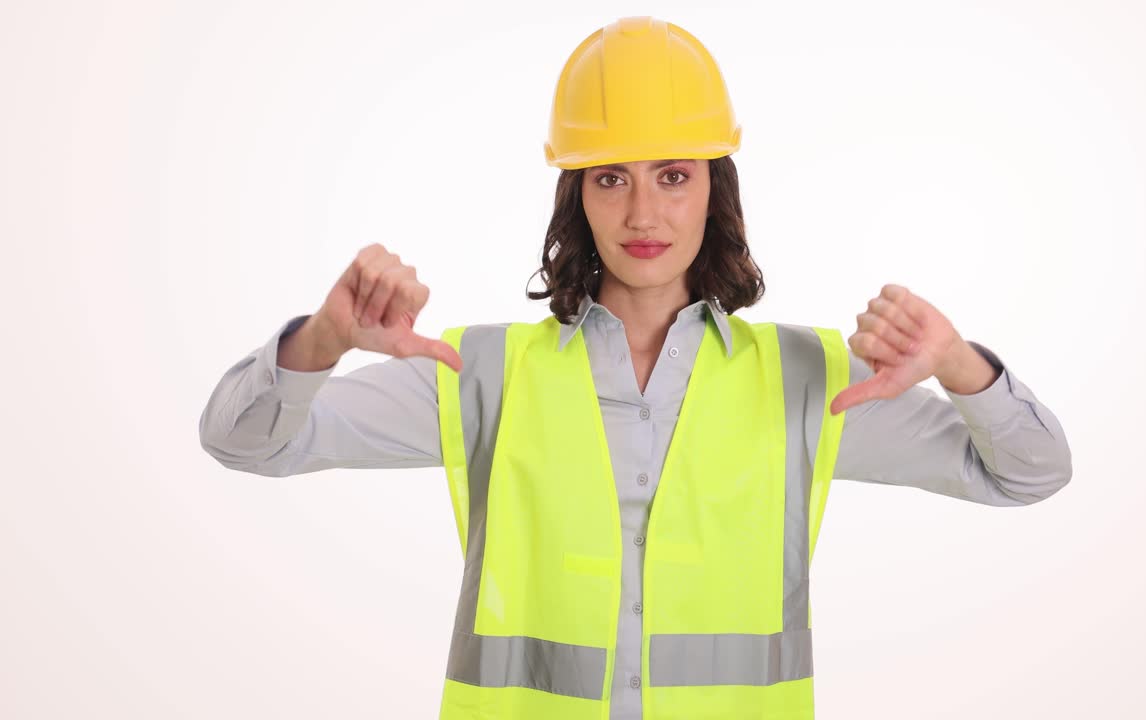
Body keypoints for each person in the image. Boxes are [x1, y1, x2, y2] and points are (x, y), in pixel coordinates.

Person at [198, 16, 1072, 720]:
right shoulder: (479, 373)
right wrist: (319, 341)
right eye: (610, 177)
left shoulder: (810, 377)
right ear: (576, 196)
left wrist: (960, 367)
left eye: (673, 175)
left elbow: (1030, 473)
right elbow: (245, 445)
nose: (644, 210)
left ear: (714, 190)